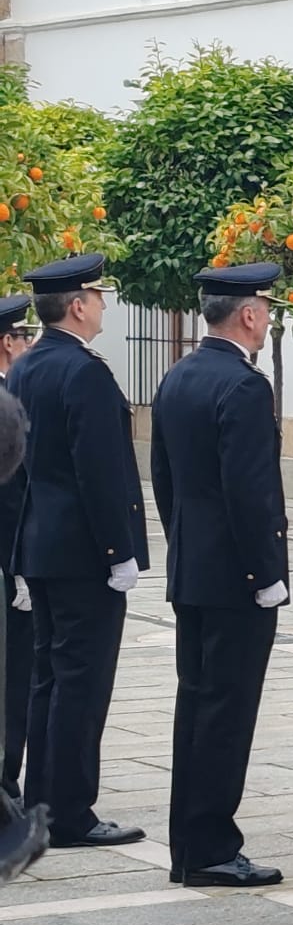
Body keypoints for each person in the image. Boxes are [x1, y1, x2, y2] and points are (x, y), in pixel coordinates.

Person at [149, 261, 291, 886]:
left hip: (194, 570)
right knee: (227, 714)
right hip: (235, 579)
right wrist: (265, 573)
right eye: (267, 310)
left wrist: (185, 541)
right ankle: (210, 848)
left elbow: (162, 477)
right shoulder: (244, 386)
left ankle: (191, 845)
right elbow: (250, 492)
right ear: (251, 314)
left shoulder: (178, 376)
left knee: (197, 707)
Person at [10, 254, 148, 847]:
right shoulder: (83, 371)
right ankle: (70, 812)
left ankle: (43, 801)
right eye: (97, 295)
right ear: (77, 305)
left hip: (40, 546)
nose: (102, 305)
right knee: (81, 684)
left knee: (49, 680)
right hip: (83, 554)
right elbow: (101, 472)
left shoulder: (25, 368)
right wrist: (119, 550)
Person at [0, 294, 38, 800]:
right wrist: (19, 567)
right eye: (24, 336)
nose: (29, 344)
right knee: (13, 676)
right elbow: (11, 498)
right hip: (7, 562)